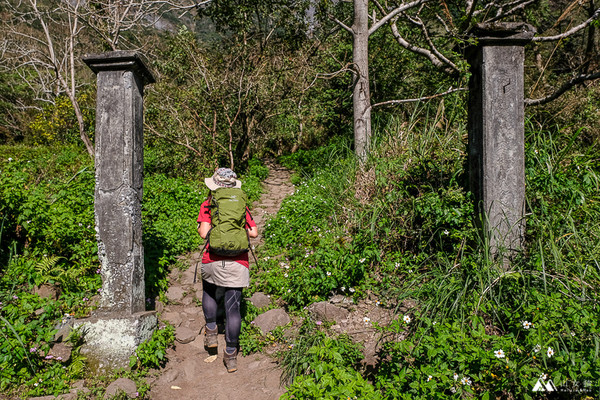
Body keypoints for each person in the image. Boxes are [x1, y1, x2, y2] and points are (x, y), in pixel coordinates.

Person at [197, 167, 258, 373]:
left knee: (209, 292)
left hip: (212, 259)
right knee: (234, 309)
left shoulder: (209, 203)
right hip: (238, 262)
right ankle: (231, 354)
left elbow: (204, 232)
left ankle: (212, 331)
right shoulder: (242, 204)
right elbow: (254, 232)